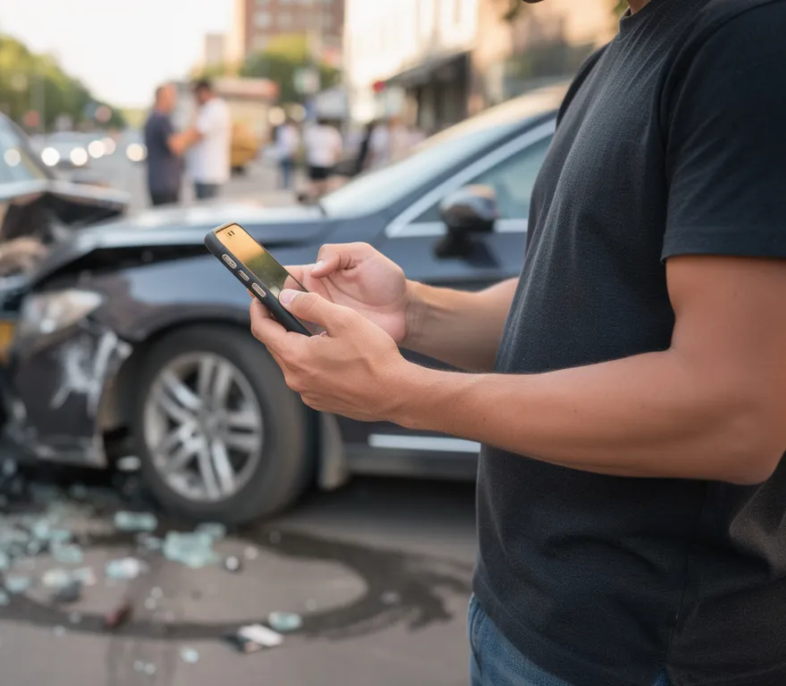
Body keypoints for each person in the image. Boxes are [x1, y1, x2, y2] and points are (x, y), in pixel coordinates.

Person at [249, 1, 786, 685]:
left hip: (640, 654)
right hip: (527, 618)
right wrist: (412, 311)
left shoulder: (751, 39)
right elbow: (574, 311)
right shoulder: (619, 55)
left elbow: (735, 415)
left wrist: (406, 395)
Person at [170, 78, 231, 201]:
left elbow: (196, 133)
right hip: (205, 173)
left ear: (203, 92)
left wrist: (177, 142)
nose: (195, 99)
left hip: (208, 174)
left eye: (195, 94)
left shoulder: (214, 108)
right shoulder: (210, 109)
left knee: (206, 213)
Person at [142, 84, 182, 206]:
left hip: (158, 182)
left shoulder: (152, 117)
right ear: (164, 97)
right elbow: (176, 146)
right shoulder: (162, 119)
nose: (174, 101)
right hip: (165, 183)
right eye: (172, 96)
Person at [302, 118, 343, 199]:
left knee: (314, 183)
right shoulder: (332, 132)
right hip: (327, 162)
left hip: (314, 161)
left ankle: (314, 198)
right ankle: (321, 198)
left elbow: (306, 147)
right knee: (325, 183)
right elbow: (337, 150)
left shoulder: (312, 132)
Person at [274, 119, 300, 190]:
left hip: (285, 152)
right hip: (287, 152)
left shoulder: (283, 131)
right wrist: (292, 151)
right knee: (286, 169)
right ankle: (286, 184)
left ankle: (286, 184)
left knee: (286, 169)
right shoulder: (289, 131)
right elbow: (289, 142)